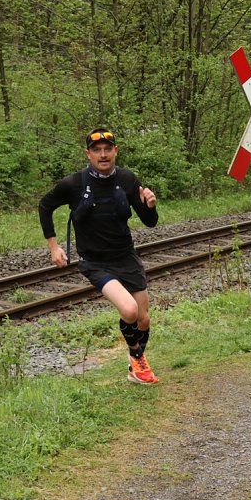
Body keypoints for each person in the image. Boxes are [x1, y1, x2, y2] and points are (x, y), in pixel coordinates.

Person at [38, 127, 160, 384]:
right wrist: (54, 246)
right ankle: (137, 358)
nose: (103, 155)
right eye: (97, 151)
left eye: (107, 149)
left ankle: (135, 368)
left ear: (115, 151)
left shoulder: (127, 179)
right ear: (88, 154)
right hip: (95, 262)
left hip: (125, 256)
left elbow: (149, 222)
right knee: (129, 310)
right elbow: (45, 205)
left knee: (143, 319)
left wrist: (150, 205)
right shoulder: (74, 183)